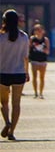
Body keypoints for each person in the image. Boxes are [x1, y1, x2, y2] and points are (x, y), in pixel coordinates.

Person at [0, 9, 30, 141]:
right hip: (18, 73)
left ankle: (7, 122)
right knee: (16, 103)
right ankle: (12, 131)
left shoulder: (1, 37)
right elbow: (25, 57)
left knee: (4, 102)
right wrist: (27, 72)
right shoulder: (24, 37)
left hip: (3, 73)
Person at [29, 23, 49, 99]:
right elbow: (29, 48)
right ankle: (35, 92)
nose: (38, 31)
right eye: (36, 30)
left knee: (42, 77)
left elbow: (48, 51)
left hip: (43, 60)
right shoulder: (32, 39)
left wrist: (43, 49)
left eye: (40, 30)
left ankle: (41, 92)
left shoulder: (45, 40)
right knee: (34, 76)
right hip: (34, 59)